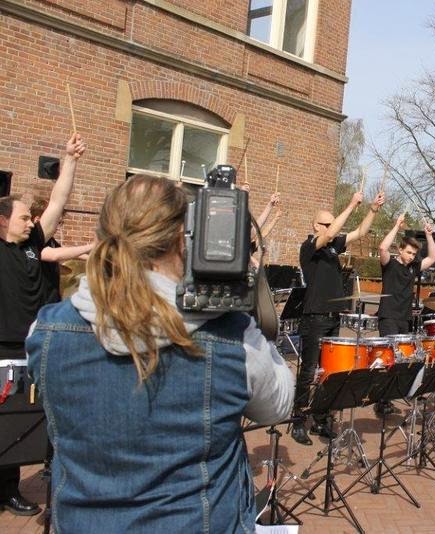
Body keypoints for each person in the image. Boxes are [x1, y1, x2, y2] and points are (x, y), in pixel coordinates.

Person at [25, 174, 294, 531]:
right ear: (184, 240)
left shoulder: (45, 332)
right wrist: (251, 324)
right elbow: (278, 405)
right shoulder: (233, 338)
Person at [0, 133, 85, 517]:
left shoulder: (34, 243)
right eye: (22, 217)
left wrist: (70, 160)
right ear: (3, 221)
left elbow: (57, 201)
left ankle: (9, 488)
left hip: (29, 346)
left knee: (21, 418)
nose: (29, 222)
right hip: (1, 348)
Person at [292, 190, 385, 445]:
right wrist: (351, 205)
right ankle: (298, 420)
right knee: (308, 371)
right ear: (316, 225)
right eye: (326, 223)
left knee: (330, 372)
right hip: (315, 317)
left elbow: (360, 232)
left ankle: (320, 419)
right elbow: (330, 233)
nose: (331, 227)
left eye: (331, 223)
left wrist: (372, 210)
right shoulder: (309, 247)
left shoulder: (333, 247)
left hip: (333, 318)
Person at [377, 214, 435, 336]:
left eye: (414, 254)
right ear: (400, 250)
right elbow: (383, 248)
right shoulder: (389, 264)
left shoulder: (413, 267)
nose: (411, 256)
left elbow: (433, 258)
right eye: (409, 252)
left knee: (404, 349)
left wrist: (429, 235)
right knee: (391, 348)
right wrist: (397, 226)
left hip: (405, 319)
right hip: (388, 318)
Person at [29, 197, 94, 303]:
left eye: (60, 223)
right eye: (57, 223)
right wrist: (93, 246)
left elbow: (64, 251)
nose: (58, 227)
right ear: (37, 220)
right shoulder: (31, 240)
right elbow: (55, 255)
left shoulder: (50, 240)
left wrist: (92, 258)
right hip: (37, 303)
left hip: (51, 300)